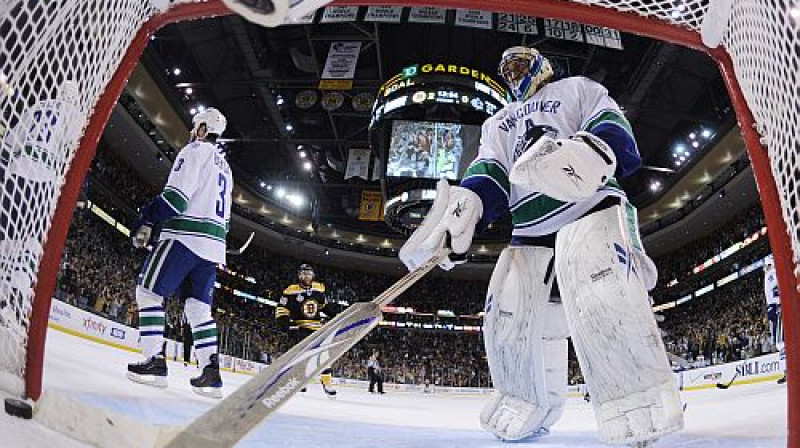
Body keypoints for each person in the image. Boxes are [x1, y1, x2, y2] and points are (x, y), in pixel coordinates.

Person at [399, 46, 682, 445]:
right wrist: (466, 210)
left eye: (520, 64)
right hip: (529, 228)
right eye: (507, 67)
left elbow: (610, 122)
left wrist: (594, 149)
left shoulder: (576, 88)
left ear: (541, 65)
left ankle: (638, 396)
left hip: (587, 204)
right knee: (513, 318)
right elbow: (490, 169)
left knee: (605, 298)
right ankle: (529, 402)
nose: (514, 73)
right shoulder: (497, 121)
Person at [126, 108, 232, 399]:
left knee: (148, 292)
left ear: (201, 130)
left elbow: (175, 199)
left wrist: (147, 216)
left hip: (184, 237)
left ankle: (153, 362)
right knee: (198, 309)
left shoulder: (195, 150)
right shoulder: (225, 167)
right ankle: (211, 374)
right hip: (213, 247)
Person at [276, 263, 337, 396]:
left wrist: (334, 314)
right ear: (299, 275)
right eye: (304, 274)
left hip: (318, 328)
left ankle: (327, 382)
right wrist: (284, 322)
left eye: (309, 274)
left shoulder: (318, 289)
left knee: (324, 356)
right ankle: (301, 382)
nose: (307, 277)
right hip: (301, 327)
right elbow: (282, 308)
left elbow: (324, 306)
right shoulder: (290, 291)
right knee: (302, 356)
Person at [763, 255, 787, 384]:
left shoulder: (772, 274)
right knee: (780, 342)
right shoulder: (770, 274)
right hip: (774, 309)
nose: (764, 268)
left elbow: (776, 291)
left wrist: (778, 304)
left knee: (781, 343)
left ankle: (787, 372)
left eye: (765, 265)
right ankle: (786, 371)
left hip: (776, 308)